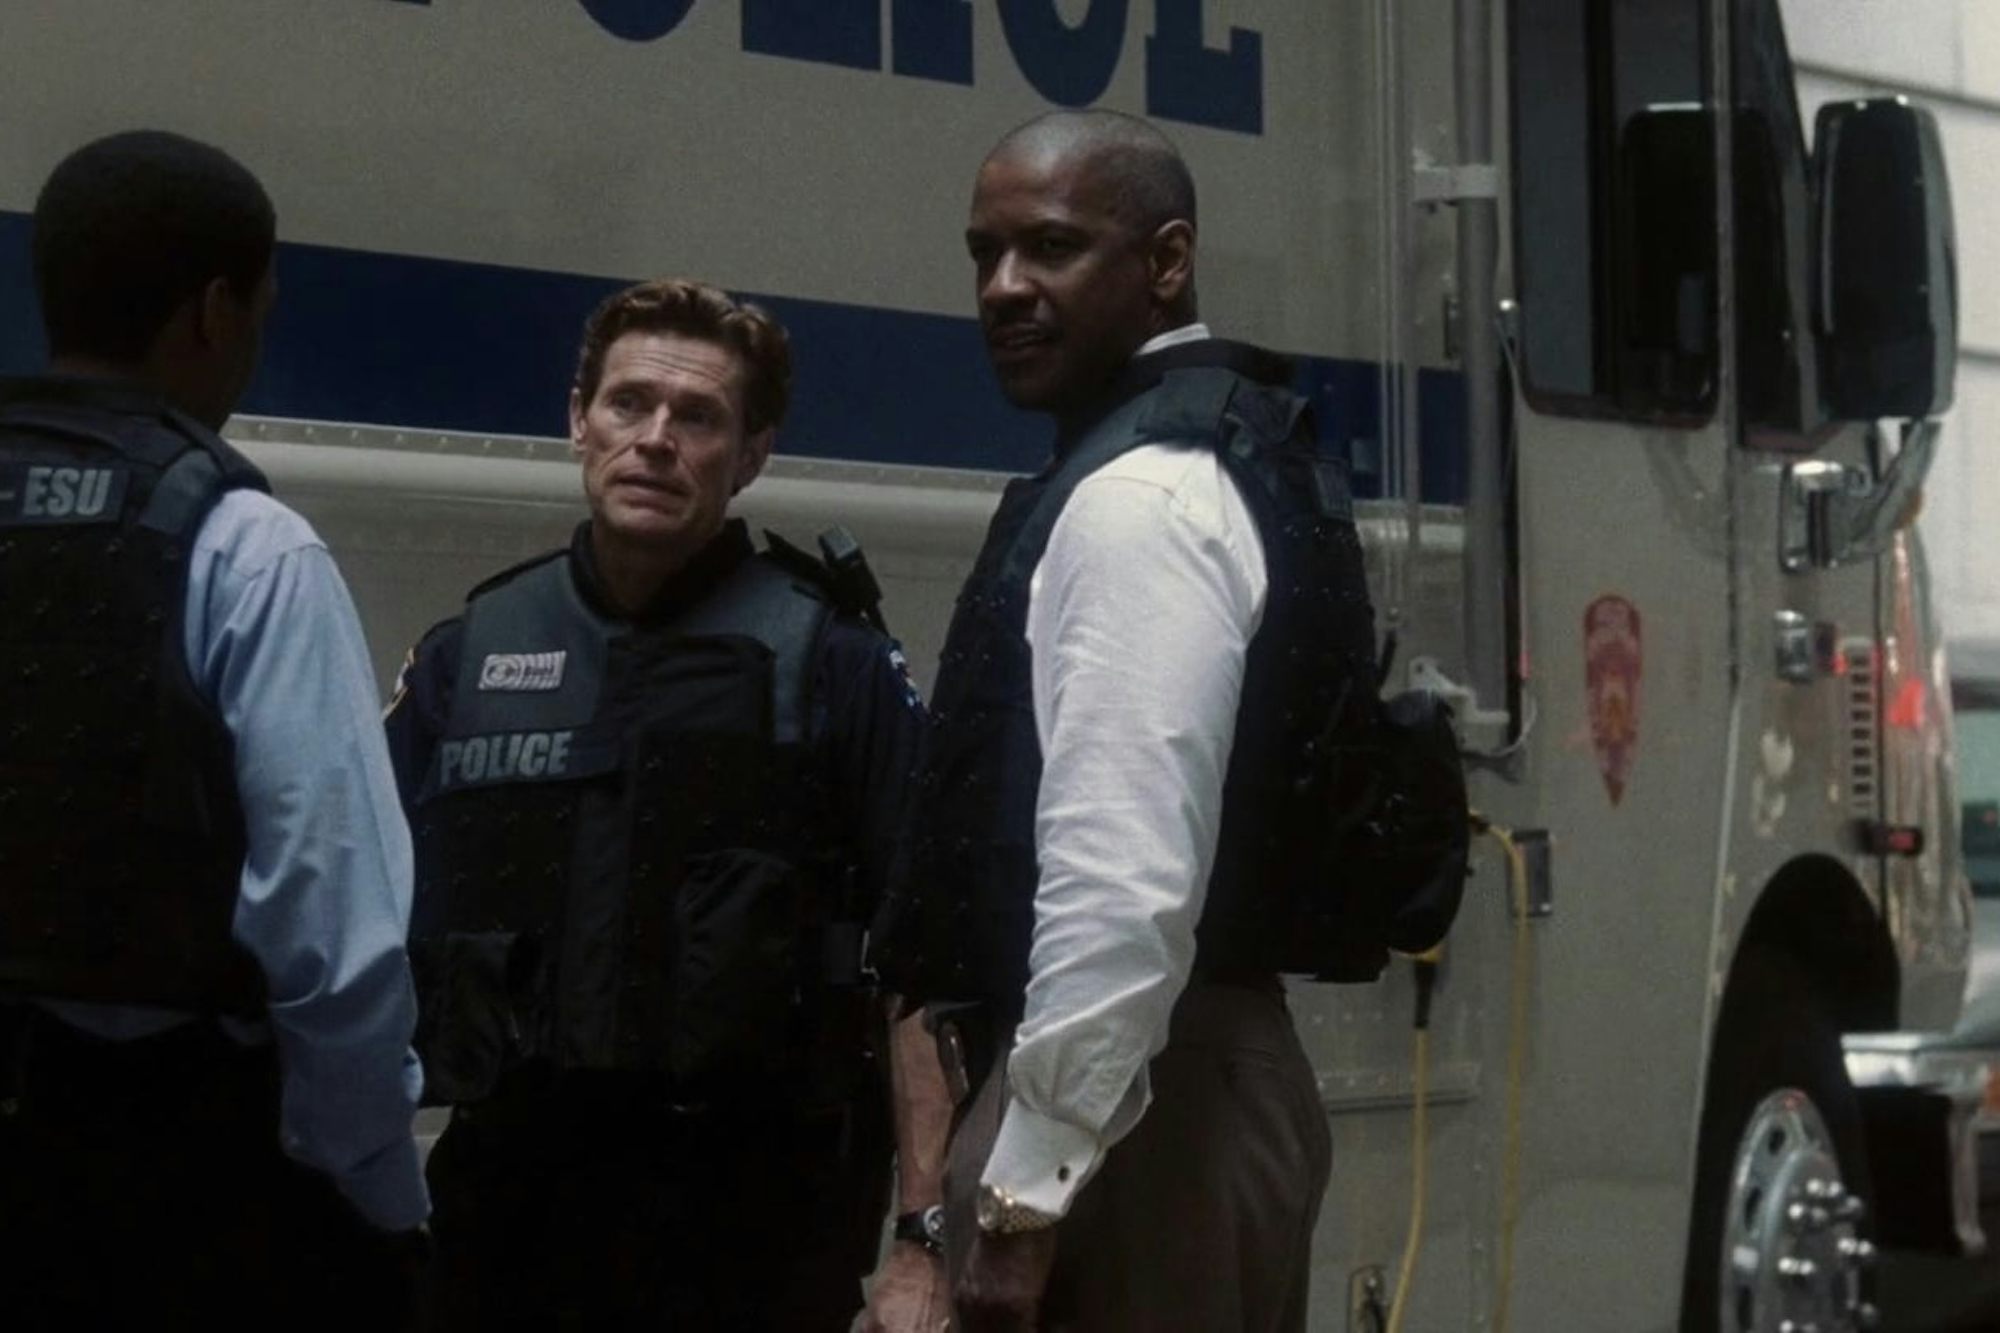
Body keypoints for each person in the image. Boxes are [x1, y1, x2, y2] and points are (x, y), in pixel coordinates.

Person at [869, 110, 1383, 1332]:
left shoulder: (1143, 496)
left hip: (1143, 1117)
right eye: (983, 253)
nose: (1003, 287)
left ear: (1165, 260)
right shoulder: (1192, 453)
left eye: (1050, 248)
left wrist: (1027, 1189)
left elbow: (1121, 877)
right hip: (1156, 1090)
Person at [385, 277, 952, 1331]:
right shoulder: (469, 656)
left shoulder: (829, 663)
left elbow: (924, 968)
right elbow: (357, 926)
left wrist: (925, 1238)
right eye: (628, 403)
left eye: (697, 417)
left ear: (751, 454)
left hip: (750, 1230)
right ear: (578, 420)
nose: (655, 439)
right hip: (503, 1219)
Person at [0, 131, 430, 1327]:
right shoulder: (245, 546)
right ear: (213, 310)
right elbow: (334, 945)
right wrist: (376, 1190)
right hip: (172, 1184)